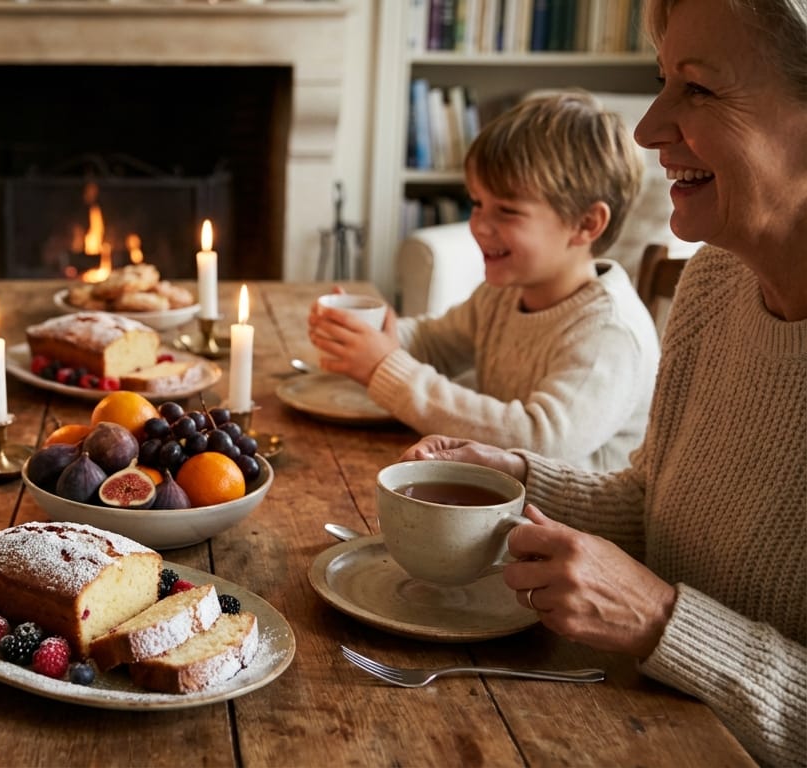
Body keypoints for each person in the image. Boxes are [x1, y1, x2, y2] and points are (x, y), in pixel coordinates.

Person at [399, 0, 807, 763]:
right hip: (627, 711)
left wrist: (660, 622)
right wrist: (518, 476)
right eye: (662, 80)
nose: (649, 128)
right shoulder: (715, 280)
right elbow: (656, 502)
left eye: (698, 88)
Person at [309, 91, 660, 471]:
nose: (479, 225)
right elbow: (435, 343)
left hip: (562, 523)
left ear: (586, 224)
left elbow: (538, 440)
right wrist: (368, 333)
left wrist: (384, 368)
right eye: (477, 203)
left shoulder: (609, 333)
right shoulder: (504, 294)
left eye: (507, 211)